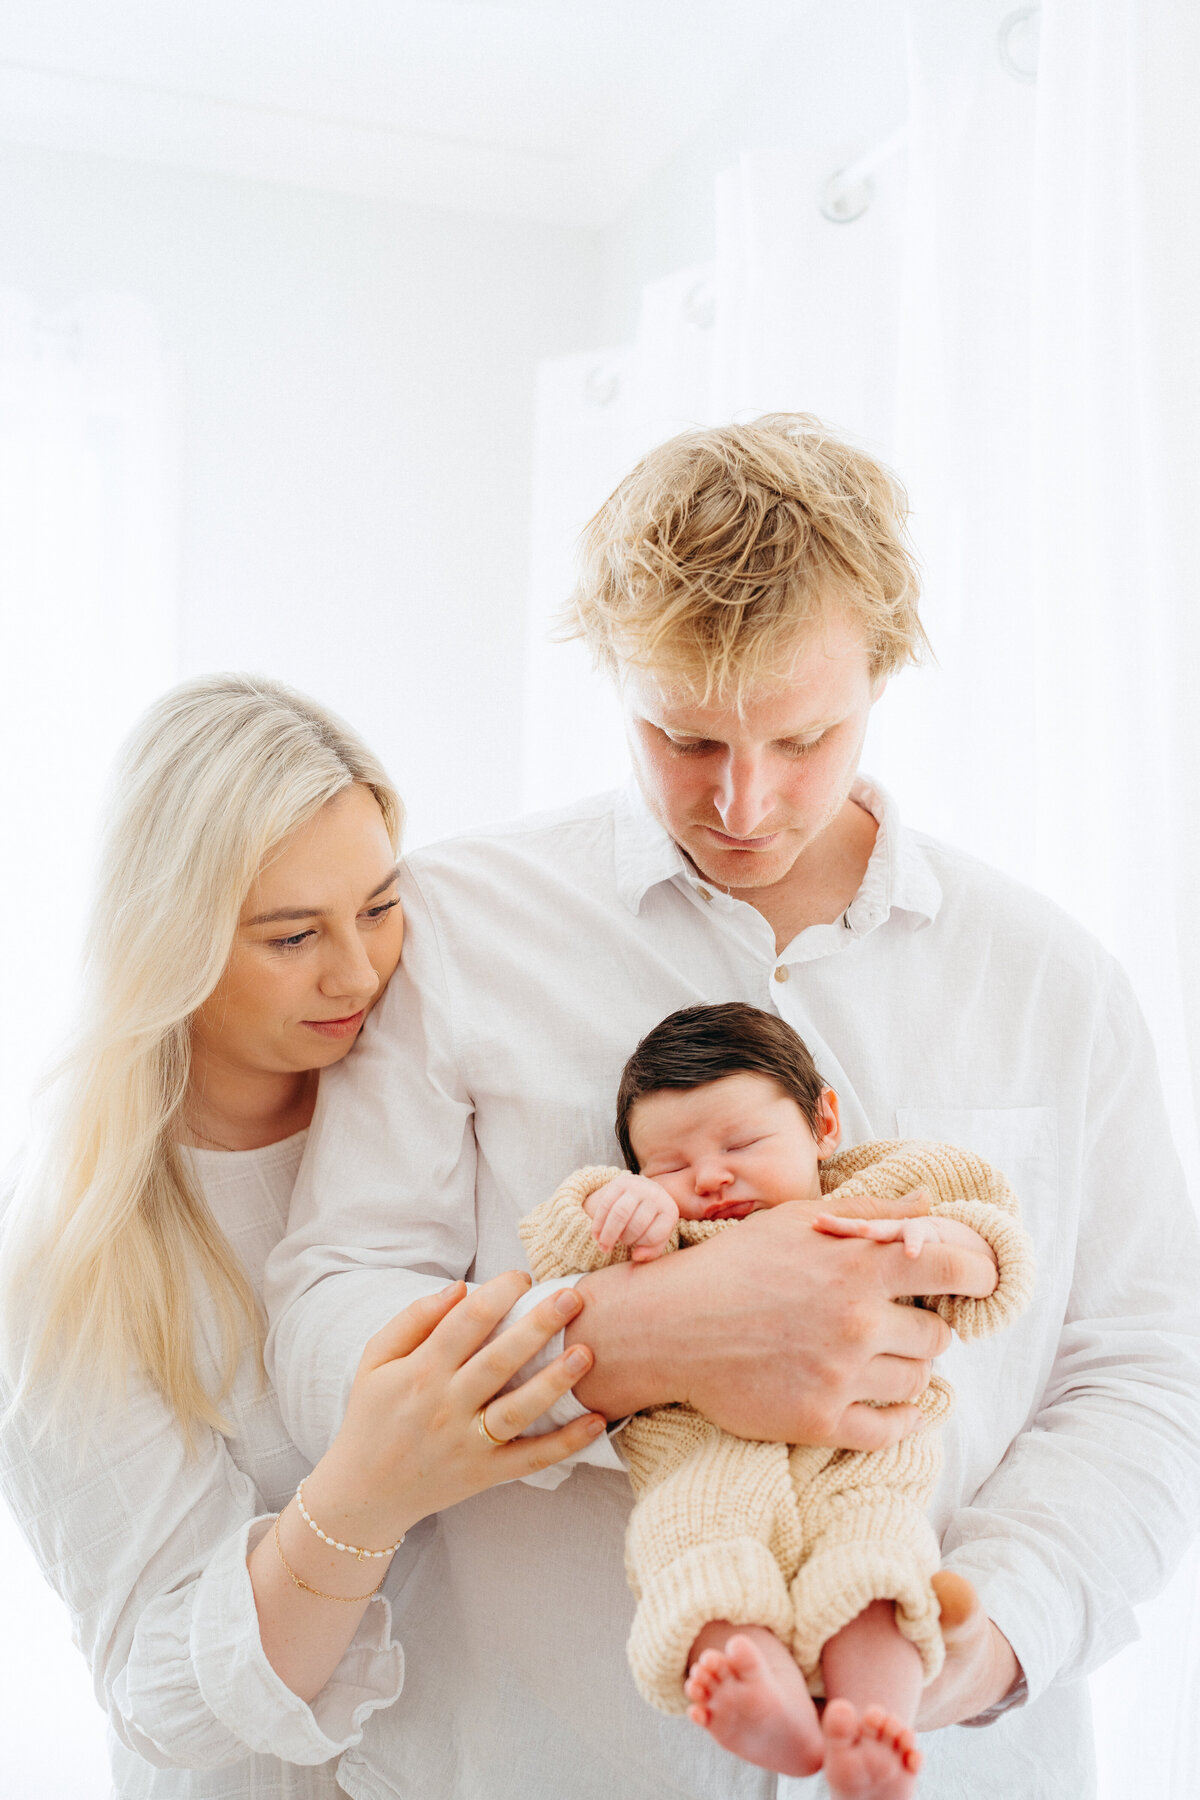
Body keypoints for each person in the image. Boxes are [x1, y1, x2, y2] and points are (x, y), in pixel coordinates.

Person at [264, 416, 1200, 1800]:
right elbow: (324, 1310)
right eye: (683, 734)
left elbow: (1147, 1378)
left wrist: (987, 1636)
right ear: (612, 671)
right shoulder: (459, 928)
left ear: (884, 670)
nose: (744, 800)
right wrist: (633, 1343)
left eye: (803, 737)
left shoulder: (1053, 983)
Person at [0, 673, 604, 1800]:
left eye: (380, 907)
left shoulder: (444, 1100)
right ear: (167, 939)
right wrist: (364, 1494)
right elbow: (164, 1691)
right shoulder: (72, 1255)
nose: (361, 972)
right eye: (292, 935)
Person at [520, 1002, 1035, 1798]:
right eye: (669, 1165)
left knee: (877, 1564)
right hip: (703, 1451)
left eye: (742, 1144)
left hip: (861, 1452)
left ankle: (875, 1723)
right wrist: (623, 1209)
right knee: (693, 1554)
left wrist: (944, 1242)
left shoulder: (875, 1189)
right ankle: (761, 1701)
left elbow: (992, 1235)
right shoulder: (663, 1236)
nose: (710, 1177)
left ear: (822, 1121)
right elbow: (557, 1246)